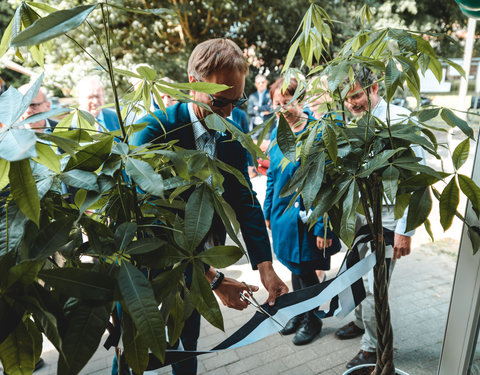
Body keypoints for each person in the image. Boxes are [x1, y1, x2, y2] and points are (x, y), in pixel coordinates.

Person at [131, 38, 288, 375]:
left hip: (199, 262)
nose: (230, 113)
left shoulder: (231, 131)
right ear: (192, 86)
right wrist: (214, 281)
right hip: (147, 273)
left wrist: (265, 265)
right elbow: (150, 224)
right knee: (135, 357)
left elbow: (245, 199)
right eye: (220, 102)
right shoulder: (153, 132)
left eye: (238, 101)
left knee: (188, 348)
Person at [334, 66, 424, 369]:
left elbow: (418, 180)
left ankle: (372, 348)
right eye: (346, 100)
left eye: (356, 96)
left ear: (374, 89)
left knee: (376, 287)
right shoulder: (358, 123)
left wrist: (405, 230)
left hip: (387, 221)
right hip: (363, 217)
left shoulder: (399, 121)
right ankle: (361, 324)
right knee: (354, 275)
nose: (352, 104)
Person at [264, 77, 341, 346]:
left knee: (307, 273)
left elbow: (327, 183)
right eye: (277, 104)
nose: (283, 109)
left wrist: (324, 226)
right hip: (283, 218)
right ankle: (299, 313)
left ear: (302, 100)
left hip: (310, 220)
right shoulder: (277, 133)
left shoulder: (318, 131)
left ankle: (313, 319)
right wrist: (266, 211)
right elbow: (272, 177)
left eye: (288, 102)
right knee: (294, 268)